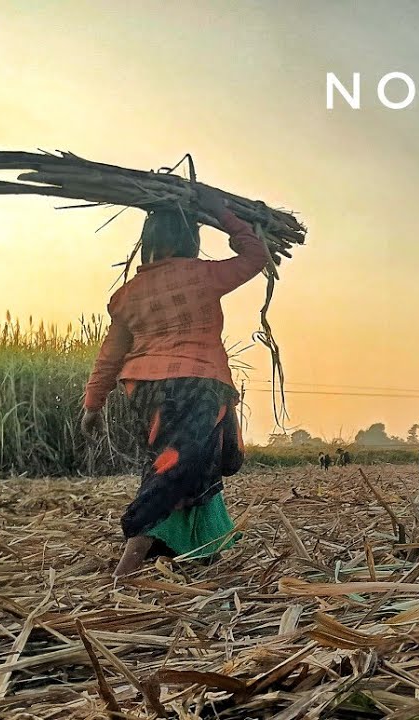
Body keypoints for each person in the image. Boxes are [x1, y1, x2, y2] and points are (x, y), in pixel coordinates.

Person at [81, 186, 266, 578]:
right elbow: (255, 256)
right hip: (199, 387)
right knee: (175, 468)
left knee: (199, 463)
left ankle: (203, 551)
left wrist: (92, 405)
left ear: (148, 244)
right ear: (191, 240)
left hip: (146, 391)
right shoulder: (202, 275)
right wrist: (226, 216)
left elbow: (110, 355)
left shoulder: (127, 295)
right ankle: (131, 557)